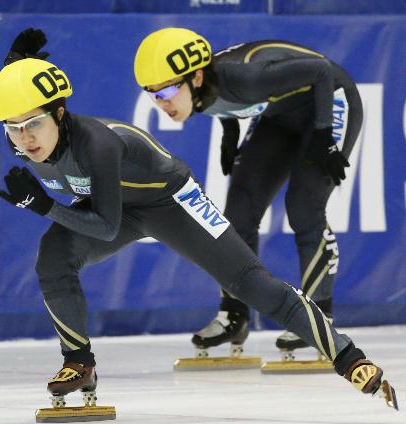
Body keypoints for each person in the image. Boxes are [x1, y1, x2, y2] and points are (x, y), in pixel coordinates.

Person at [0, 48, 394, 408]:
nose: (24, 139)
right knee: (52, 259)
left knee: (250, 282)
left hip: (171, 202)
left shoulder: (98, 145)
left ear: (60, 113)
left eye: (34, 124)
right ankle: (78, 361)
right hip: (112, 205)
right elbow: (96, 208)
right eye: (12, 128)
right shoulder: (27, 136)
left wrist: (43, 207)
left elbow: (107, 228)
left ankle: (349, 357)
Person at [134, 28, 362, 356]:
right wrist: (230, 135)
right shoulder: (199, 89)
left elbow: (321, 71)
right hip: (280, 114)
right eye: (152, 94)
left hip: (329, 99)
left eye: (167, 91)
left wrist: (325, 133)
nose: (161, 103)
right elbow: (224, 104)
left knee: (304, 208)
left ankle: (318, 318)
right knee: (238, 212)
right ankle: (235, 314)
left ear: (196, 78)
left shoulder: (246, 78)